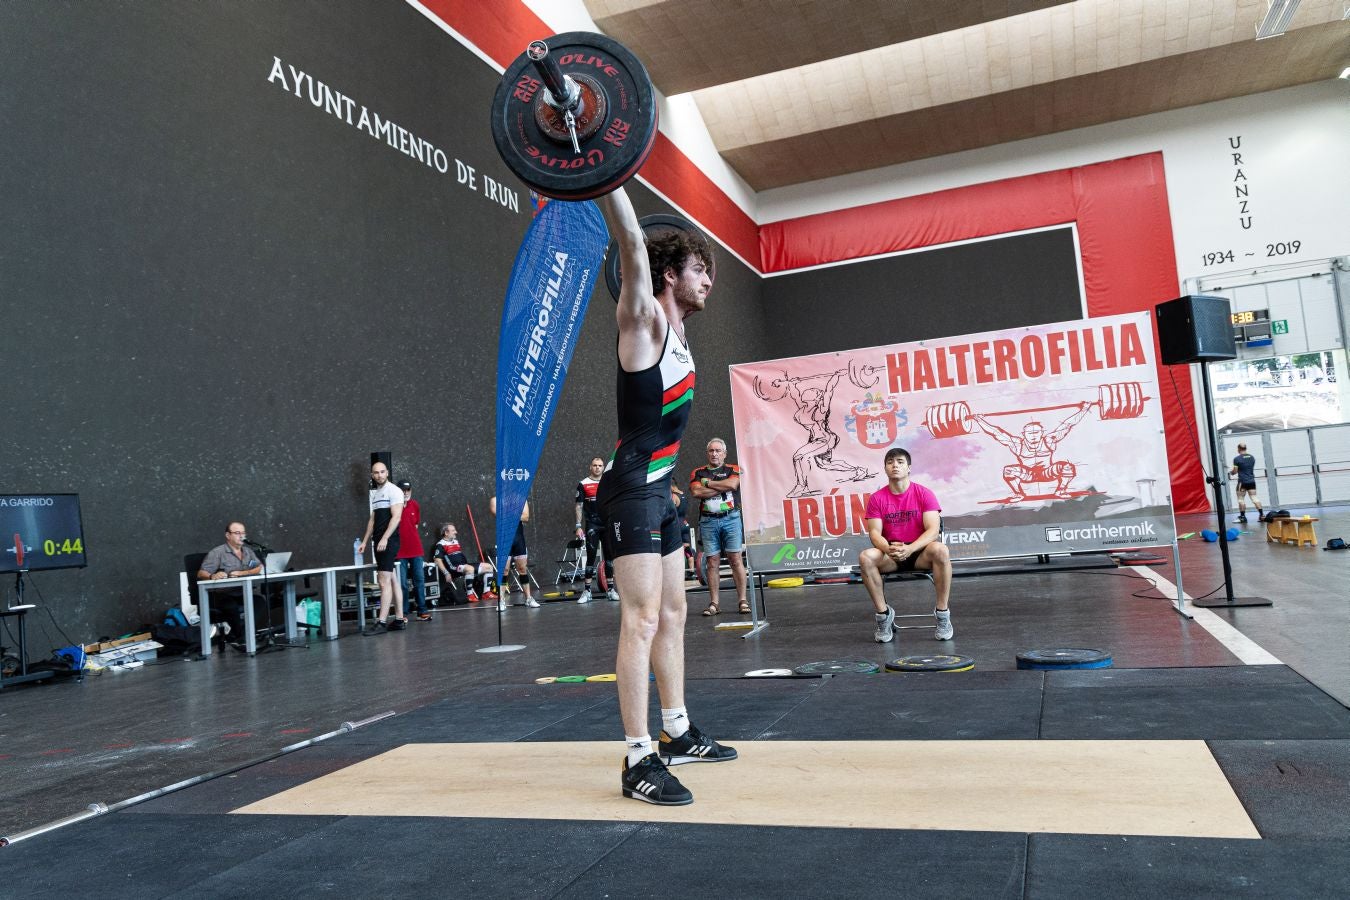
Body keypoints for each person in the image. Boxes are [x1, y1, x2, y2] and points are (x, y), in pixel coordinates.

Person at [596, 186, 736, 807]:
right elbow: (630, 245)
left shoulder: (679, 337)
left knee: (675, 613)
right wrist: (607, 177)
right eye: (700, 269)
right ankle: (636, 758)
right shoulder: (644, 321)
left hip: (663, 493)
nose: (708, 279)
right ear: (670, 274)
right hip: (629, 491)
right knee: (643, 617)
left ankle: (675, 730)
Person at [859, 447, 953, 644]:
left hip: (920, 553)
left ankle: (943, 614)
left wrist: (910, 549)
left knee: (941, 550)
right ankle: (883, 615)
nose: (895, 465)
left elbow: (933, 531)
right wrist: (888, 549)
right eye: (890, 462)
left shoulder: (924, 493)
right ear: (885, 468)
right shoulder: (877, 498)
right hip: (891, 554)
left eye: (900, 462)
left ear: (908, 468)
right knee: (866, 557)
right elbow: (875, 532)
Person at [971, 403, 1092, 500]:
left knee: (1067, 467)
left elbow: (1067, 425)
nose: (1033, 436)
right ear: (1023, 434)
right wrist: (979, 420)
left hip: (1047, 472)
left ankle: (1061, 490)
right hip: (1028, 474)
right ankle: (1018, 494)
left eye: (1036, 433)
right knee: (1008, 470)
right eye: (1030, 433)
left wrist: (1084, 409)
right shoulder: (1017, 444)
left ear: (1042, 433)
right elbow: (996, 432)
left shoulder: (1049, 441)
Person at [689, 438, 749, 615]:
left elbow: (733, 484)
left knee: (735, 559)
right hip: (708, 521)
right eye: (711, 451)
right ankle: (714, 603)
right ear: (707, 453)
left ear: (724, 453)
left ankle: (742, 601)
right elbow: (695, 491)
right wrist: (721, 487)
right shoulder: (698, 472)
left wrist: (708, 483)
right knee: (711, 561)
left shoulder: (733, 469)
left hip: (731, 518)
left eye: (717, 451)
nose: (714, 454)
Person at [196, 521, 264, 643]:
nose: (241, 536)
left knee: (259, 601)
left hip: (241, 593)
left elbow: (259, 567)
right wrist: (213, 575)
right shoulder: (217, 553)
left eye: (243, 533)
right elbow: (201, 573)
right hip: (220, 595)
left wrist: (241, 573)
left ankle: (245, 633)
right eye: (237, 533)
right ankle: (241, 636)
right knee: (230, 606)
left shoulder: (248, 552)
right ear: (228, 535)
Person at [359, 460, 406, 634]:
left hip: (388, 541)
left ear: (387, 473)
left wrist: (385, 538)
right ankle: (400, 620)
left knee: (383, 582)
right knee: (392, 580)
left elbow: (396, 517)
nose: (379, 475)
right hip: (379, 541)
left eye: (382, 472)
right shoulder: (376, 493)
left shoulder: (394, 491)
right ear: (372, 475)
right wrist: (364, 541)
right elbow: (373, 520)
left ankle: (381, 622)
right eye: (376, 472)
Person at [575, 455, 618, 604]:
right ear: (590, 467)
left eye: (600, 465)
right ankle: (587, 591)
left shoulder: (609, 483)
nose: (597, 468)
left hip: (607, 524)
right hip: (592, 525)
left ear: (603, 467)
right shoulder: (583, 484)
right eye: (595, 465)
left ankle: (611, 590)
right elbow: (579, 506)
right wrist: (578, 526)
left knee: (609, 558)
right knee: (591, 558)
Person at [489, 496, 537, 609]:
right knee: (504, 570)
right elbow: (499, 515)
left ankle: (528, 598)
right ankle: (501, 601)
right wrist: (516, 513)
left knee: (522, 569)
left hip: (519, 539)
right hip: (504, 540)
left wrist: (508, 514)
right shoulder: (495, 500)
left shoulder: (521, 499)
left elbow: (526, 517)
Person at [394, 480, 430, 621]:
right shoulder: (393, 506)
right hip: (399, 551)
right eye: (403, 490)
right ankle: (403, 613)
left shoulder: (415, 505)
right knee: (401, 583)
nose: (406, 492)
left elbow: (415, 525)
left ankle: (422, 611)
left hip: (415, 549)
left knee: (419, 580)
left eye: (408, 489)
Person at [433, 523, 493, 603]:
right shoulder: (440, 544)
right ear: (446, 533)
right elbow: (437, 560)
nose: (456, 532)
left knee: (489, 567)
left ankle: (486, 593)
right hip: (453, 569)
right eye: (453, 530)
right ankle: (470, 595)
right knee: (469, 569)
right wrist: (446, 573)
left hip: (464, 566)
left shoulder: (455, 541)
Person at [1230, 442, 1264, 523]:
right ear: (1245, 448)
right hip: (1251, 481)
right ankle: (1262, 515)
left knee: (1241, 499)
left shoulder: (1237, 459)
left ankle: (1242, 517)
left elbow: (1235, 471)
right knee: (1254, 497)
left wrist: (1231, 472)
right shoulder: (1252, 457)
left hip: (1242, 482)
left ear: (1238, 449)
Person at [670, 482, 695, 579]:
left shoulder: (674, 496)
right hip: (685, 523)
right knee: (687, 548)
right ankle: (692, 571)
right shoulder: (683, 494)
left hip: (677, 525)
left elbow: (670, 511)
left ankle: (678, 573)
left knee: (677, 550)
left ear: (671, 486)